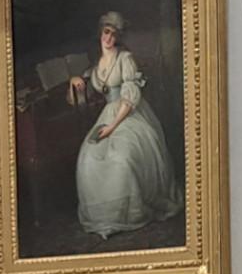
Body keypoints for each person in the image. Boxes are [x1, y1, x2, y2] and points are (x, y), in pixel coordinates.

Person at [65, 12, 177, 239]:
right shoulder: (95, 68)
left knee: (122, 159)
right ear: (100, 33)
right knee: (88, 159)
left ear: (118, 37)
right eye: (106, 32)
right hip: (107, 115)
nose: (109, 38)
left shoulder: (125, 59)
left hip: (128, 114)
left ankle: (129, 215)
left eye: (114, 34)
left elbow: (130, 97)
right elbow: (79, 99)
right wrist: (73, 82)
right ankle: (105, 218)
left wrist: (112, 127)